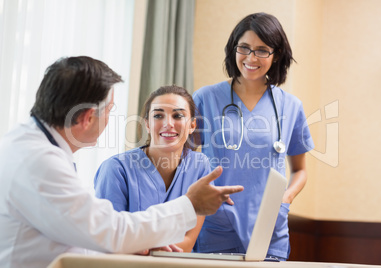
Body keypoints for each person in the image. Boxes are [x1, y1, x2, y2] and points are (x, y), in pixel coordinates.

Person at [0, 56, 244, 268]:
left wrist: (135, 245)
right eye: (109, 111)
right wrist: (190, 205)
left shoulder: (33, 149)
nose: (109, 120)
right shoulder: (40, 162)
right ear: (86, 118)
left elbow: (86, 232)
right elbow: (111, 231)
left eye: (178, 115)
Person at [192, 12, 314, 261]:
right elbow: (184, 160)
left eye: (262, 50)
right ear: (233, 49)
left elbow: (300, 170)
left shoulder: (290, 106)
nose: (251, 58)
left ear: (276, 54)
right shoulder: (205, 98)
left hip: (269, 226)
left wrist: (285, 198)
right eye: (244, 48)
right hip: (216, 222)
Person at [94, 85, 212, 252]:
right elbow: (110, 239)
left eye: (178, 116)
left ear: (192, 125)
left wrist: (146, 247)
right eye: (158, 116)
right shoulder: (116, 169)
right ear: (147, 125)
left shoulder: (200, 166)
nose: (168, 124)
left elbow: (188, 241)